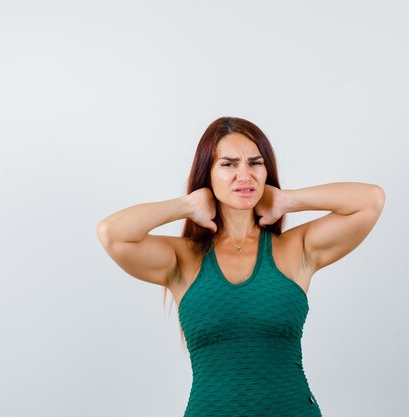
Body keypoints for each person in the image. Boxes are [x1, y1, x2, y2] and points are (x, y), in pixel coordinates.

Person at [96, 116, 385, 417]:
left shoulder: (294, 249)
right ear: (207, 175)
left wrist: (288, 200)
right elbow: (112, 233)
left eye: (255, 163)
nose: (244, 175)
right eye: (229, 164)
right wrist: (186, 206)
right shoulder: (183, 259)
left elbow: (371, 200)